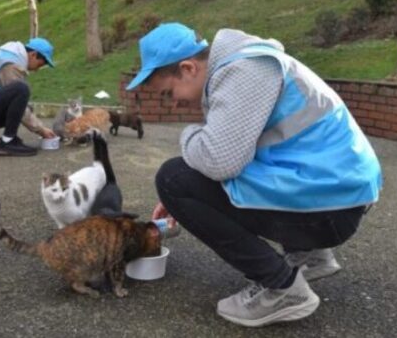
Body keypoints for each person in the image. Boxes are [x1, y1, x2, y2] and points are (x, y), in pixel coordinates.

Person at [127, 23, 382, 327]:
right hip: (335, 198)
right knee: (194, 175)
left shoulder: (244, 72)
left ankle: (283, 288)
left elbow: (219, 161)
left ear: (188, 67)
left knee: (173, 179)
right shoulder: (247, 63)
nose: (175, 102)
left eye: (169, 92)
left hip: (331, 211)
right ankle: (310, 255)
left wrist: (190, 134)